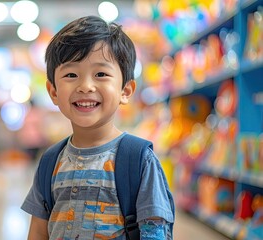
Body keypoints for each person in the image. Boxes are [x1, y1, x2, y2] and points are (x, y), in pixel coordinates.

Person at [21, 15, 174, 240]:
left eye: (101, 74)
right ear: (53, 91)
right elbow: (38, 232)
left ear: (126, 90)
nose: (86, 86)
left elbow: (155, 233)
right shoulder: (50, 161)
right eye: (71, 75)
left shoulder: (139, 160)